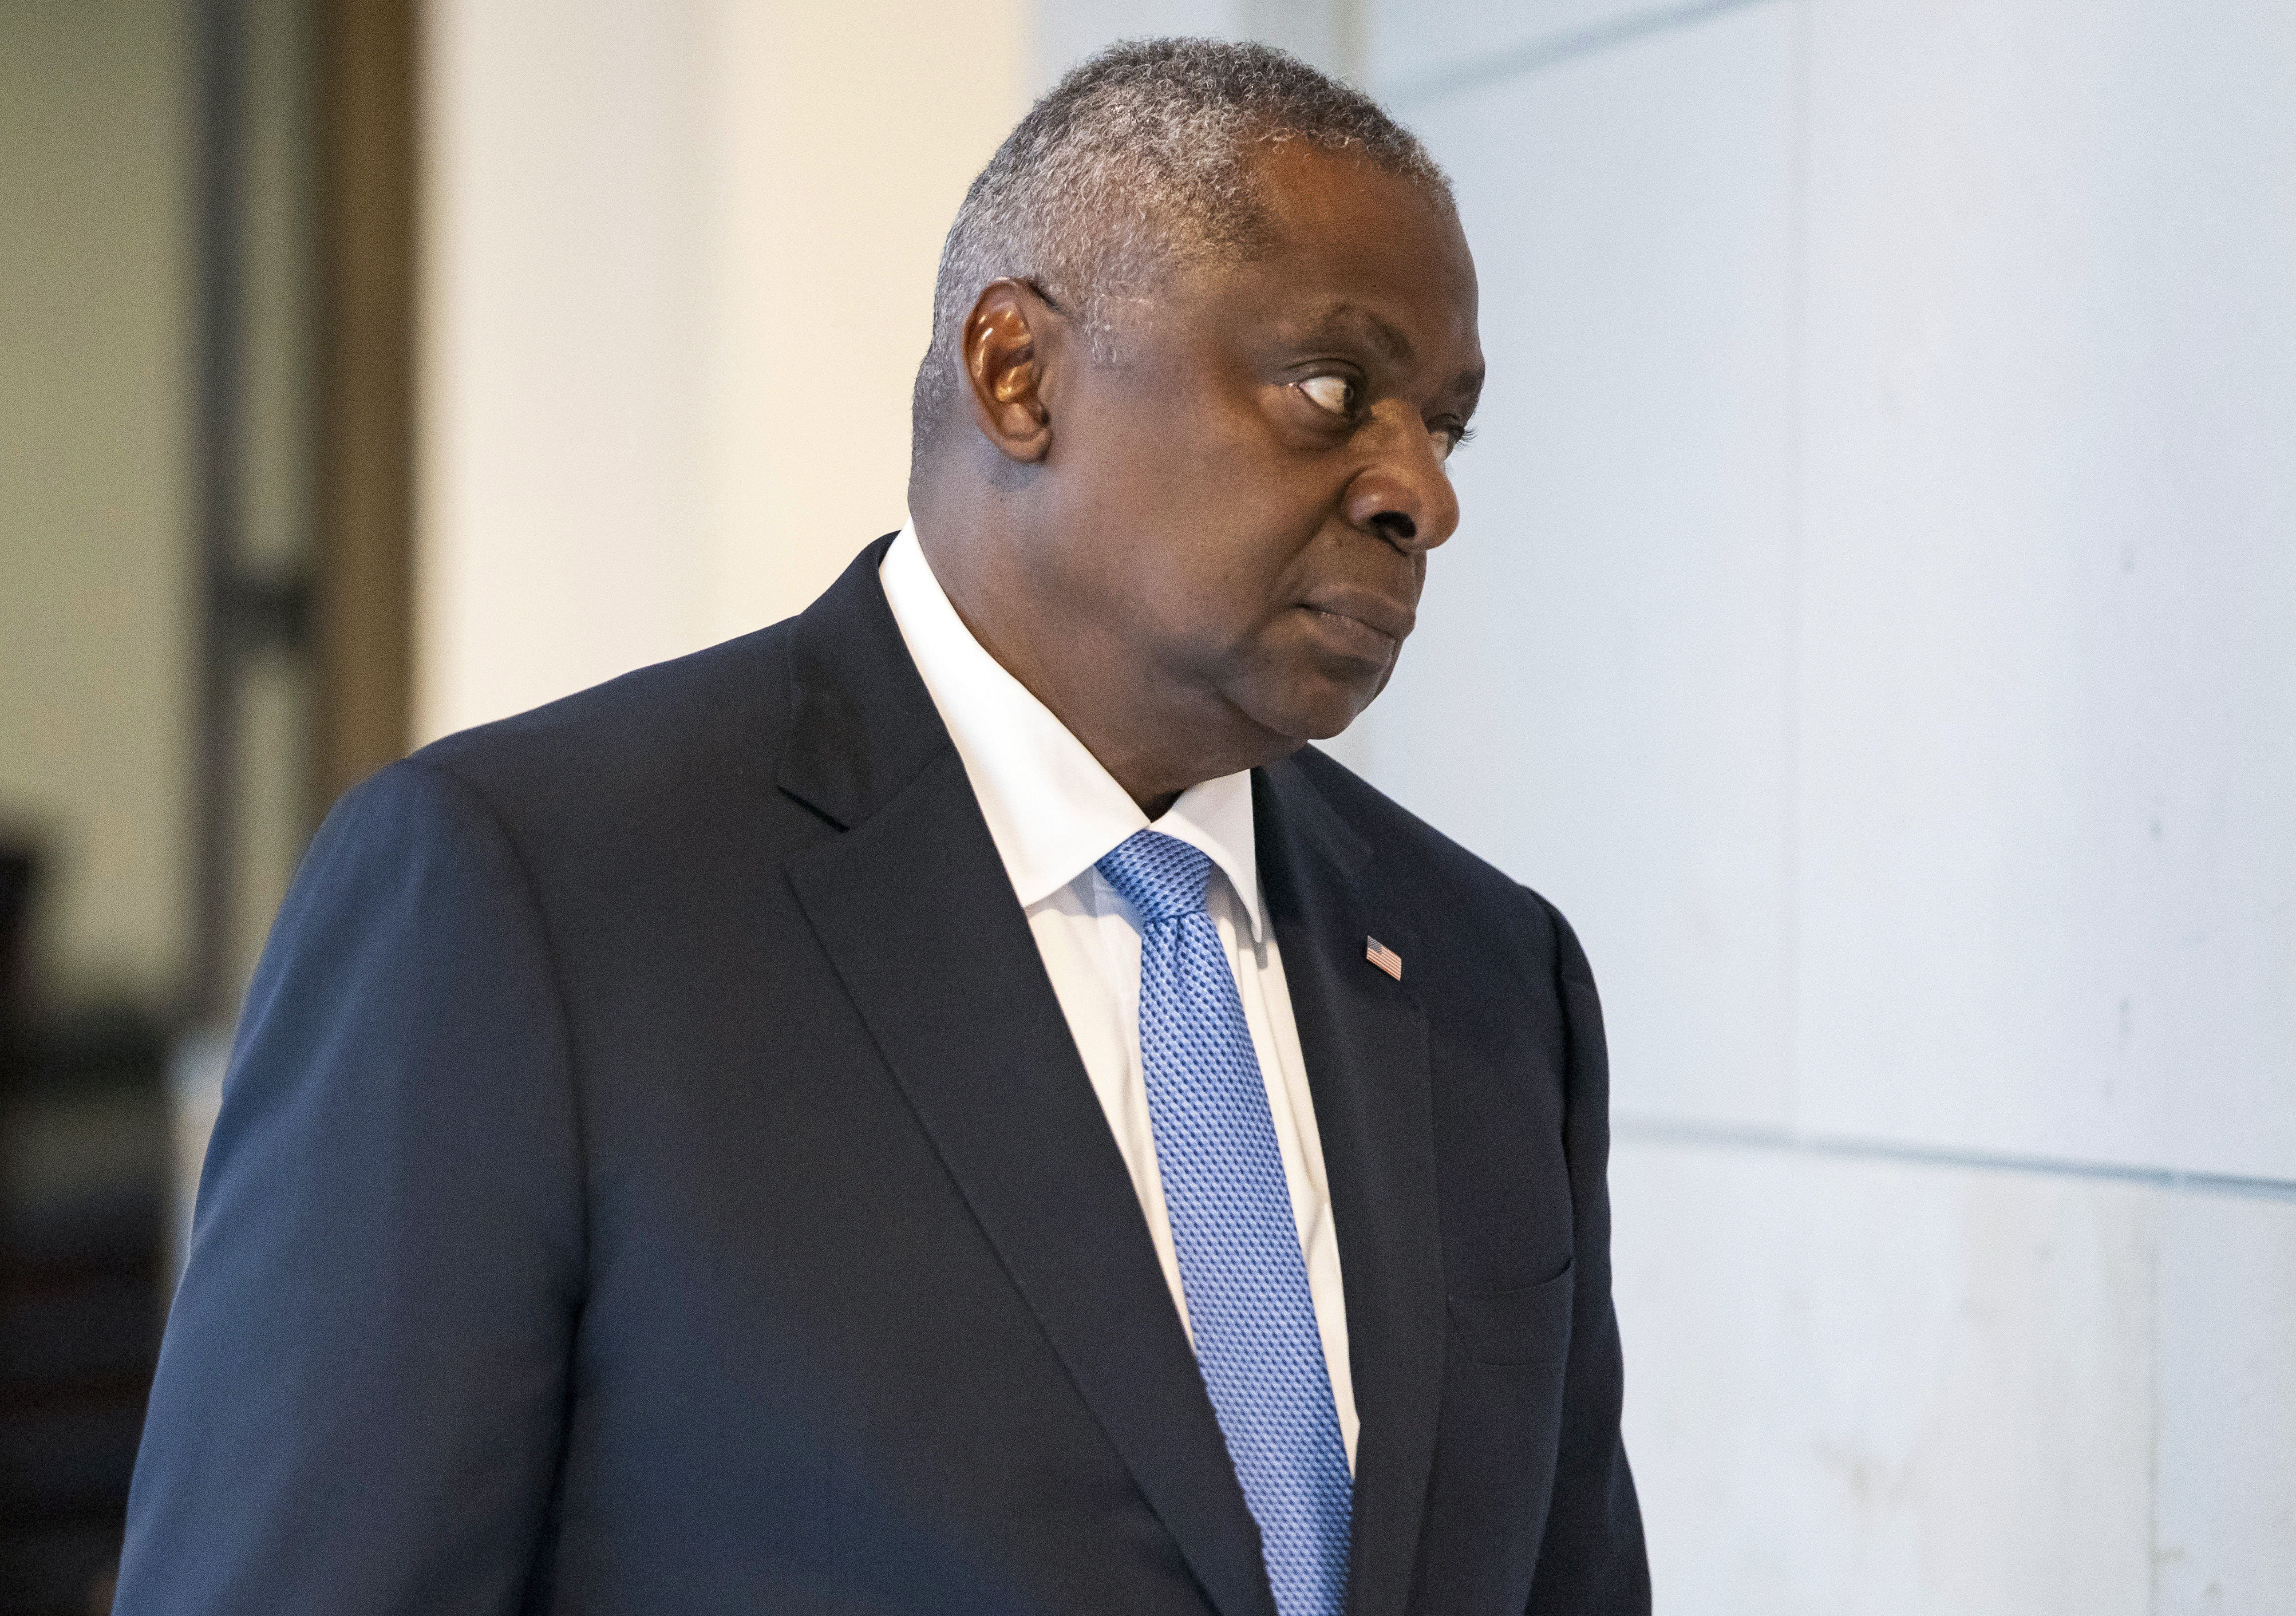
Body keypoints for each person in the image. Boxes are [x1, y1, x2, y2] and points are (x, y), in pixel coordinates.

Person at [116, 38, 1648, 1616]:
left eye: (1443, 427)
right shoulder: (534, 899)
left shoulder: (1488, 976)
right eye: (1333, 391)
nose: (1417, 495)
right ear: (1017, 375)